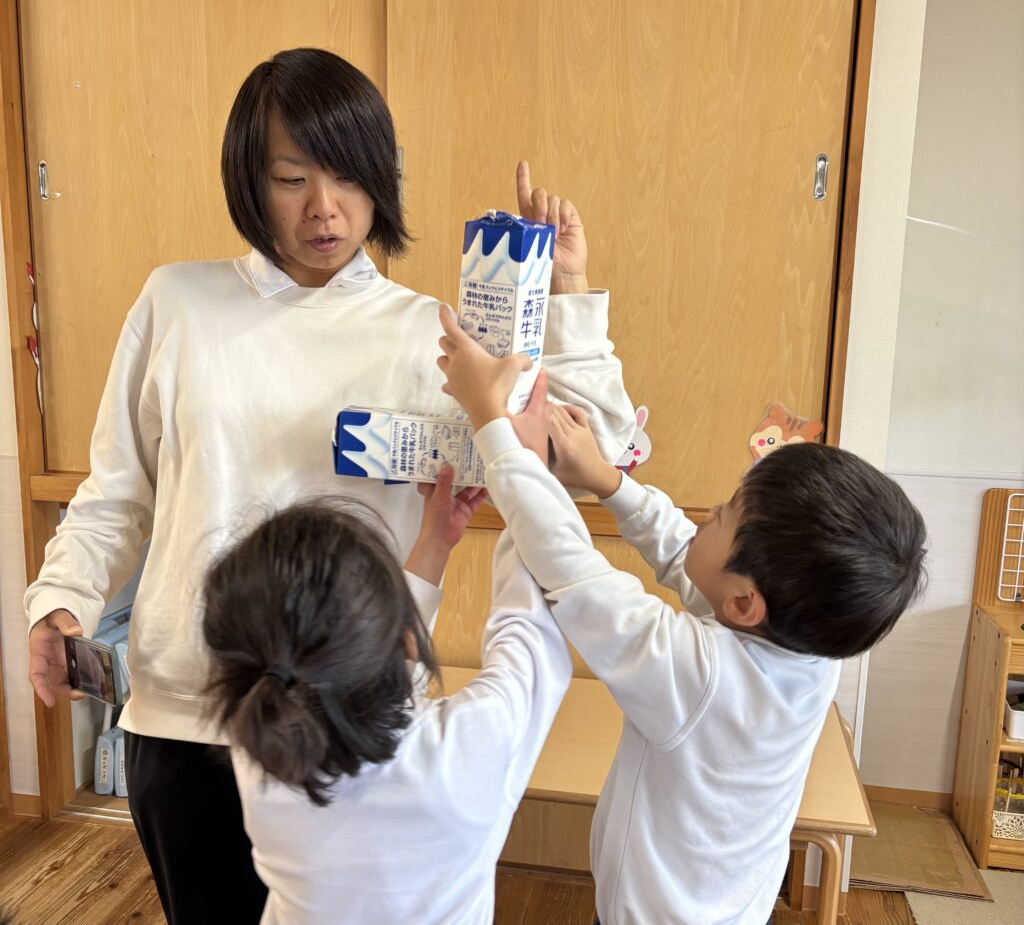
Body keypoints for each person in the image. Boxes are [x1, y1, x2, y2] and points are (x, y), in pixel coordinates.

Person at [24, 47, 633, 925]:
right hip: (189, 716)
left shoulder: (432, 335)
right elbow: (119, 492)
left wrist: (565, 291)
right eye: (290, 178)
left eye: (348, 176)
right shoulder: (176, 303)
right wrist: (61, 599)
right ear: (248, 180)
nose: (325, 207)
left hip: (356, 725)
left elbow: (593, 455)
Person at [436, 307, 928, 925]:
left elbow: (572, 569)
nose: (707, 514)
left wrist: (494, 427)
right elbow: (687, 556)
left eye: (723, 514)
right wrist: (608, 481)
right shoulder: (807, 647)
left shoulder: (702, 677)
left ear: (745, 603)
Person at [202, 459, 571, 925]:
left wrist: (435, 542)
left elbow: (356, 670)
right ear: (405, 640)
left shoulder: (260, 744)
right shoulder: (470, 741)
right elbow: (529, 632)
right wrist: (527, 478)